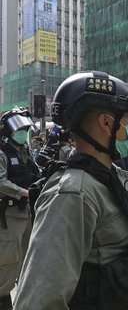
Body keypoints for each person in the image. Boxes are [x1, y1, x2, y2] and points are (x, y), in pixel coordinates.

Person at [14, 71, 128, 309]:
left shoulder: (110, 177)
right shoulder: (73, 193)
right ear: (106, 123)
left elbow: (114, 249)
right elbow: (39, 300)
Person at [0, 108, 39, 310]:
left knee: (27, 259)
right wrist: (24, 193)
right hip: (10, 215)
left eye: (25, 129)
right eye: (20, 129)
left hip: (28, 214)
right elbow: (1, 182)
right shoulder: (2, 152)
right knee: (7, 261)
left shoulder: (26, 152)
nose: (23, 132)